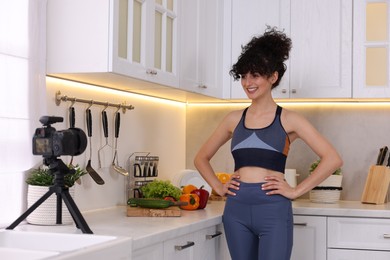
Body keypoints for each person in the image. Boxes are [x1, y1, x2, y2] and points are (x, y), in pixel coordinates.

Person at [194, 26, 343, 260]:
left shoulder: (289, 119)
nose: (247, 82)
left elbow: (332, 158)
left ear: (273, 77)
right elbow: (201, 158)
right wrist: (219, 187)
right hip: (236, 212)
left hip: (274, 211)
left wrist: (296, 191)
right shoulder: (234, 119)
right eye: (243, 75)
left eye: (255, 75)